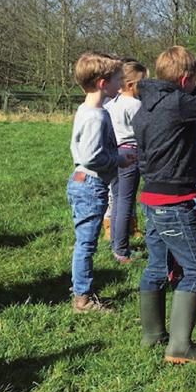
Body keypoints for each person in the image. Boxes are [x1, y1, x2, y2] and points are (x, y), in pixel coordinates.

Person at [133, 46, 196, 364]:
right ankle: (179, 347)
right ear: (186, 79)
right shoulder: (176, 102)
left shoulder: (146, 103)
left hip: (151, 195)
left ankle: (152, 334)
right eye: (192, 80)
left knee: (157, 267)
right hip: (174, 199)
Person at [67, 52, 135, 313]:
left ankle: (81, 289)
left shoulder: (87, 109)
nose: (122, 83)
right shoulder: (96, 116)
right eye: (119, 78)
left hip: (83, 181)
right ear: (102, 83)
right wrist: (119, 158)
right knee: (86, 243)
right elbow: (92, 156)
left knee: (85, 241)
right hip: (90, 184)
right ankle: (82, 299)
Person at [104, 59, 146, 263]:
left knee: (118, 197)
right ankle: (121, 249)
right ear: (130, 85)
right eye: (142, 82)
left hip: (114, 152)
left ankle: (116, 244)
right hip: (130, 154)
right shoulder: (136, 105)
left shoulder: (111, 103)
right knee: (125, 201)